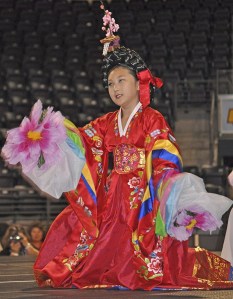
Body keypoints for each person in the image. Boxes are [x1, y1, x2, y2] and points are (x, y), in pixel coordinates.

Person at [1, 4, 233, 291]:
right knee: (85, 235)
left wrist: (164, 187)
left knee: (140, 251)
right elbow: (84, 141)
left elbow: (164, 155)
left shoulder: (152, 118)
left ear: (139, 83)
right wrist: (49, 136)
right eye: (111, 83)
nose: (115, 88)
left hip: (143, 195)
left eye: (122, 80)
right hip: (115, 193)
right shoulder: (108, 121)